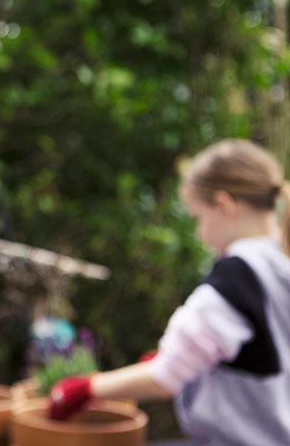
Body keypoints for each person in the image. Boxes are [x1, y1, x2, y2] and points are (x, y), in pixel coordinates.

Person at [48, 138, 290, 445]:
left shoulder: (236, 277)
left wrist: (84, 390)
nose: (200, 234)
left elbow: (165, 377)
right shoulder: (281, 264)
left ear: (224, 205)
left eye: (197, 219)